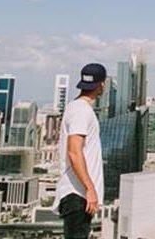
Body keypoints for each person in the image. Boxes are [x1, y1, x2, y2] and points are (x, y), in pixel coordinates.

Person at [54, 63, 106, 239]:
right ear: (102, 85)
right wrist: (90, 188)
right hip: (77, 195)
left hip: (79, 196)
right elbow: (74, 152)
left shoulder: (77, 108)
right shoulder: (81, 110)